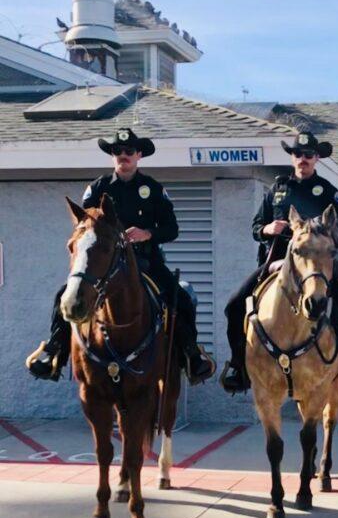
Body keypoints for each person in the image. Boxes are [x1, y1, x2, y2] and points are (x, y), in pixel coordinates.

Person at [26, 128, 215, 385]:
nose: (123, 156)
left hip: (145, 262)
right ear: (112, 156)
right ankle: (55, 350)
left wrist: (147, 233)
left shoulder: (153, 188)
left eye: (128, 151)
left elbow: (172, 229)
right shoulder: (97, 188)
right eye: (117, 151)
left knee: (178, 297)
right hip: (105, 263)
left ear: (138, 155)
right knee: (65, 294)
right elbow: (84, 227)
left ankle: (191, 354)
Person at [219, 131, 338, 394]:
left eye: (308, 155)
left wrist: (324, 232)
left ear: (316, 159)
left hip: (315, 267)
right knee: (234, 305)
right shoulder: (277, 191)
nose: (303, 159)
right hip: (275, 264)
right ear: (292, 157)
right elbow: (256, 226)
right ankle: (238, 364)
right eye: (298, 154)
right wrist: (268, 228)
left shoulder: (327, 191)